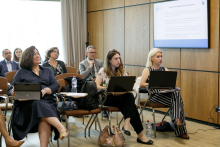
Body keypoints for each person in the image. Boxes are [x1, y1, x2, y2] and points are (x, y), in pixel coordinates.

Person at [7, 46, 68, 147]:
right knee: (37, 103)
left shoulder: (47, 71)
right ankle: (61, 127)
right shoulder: (21, 72)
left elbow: (55, 85)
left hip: (47, 103)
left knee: (42, 113)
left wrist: (45, 90)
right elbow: (10, 89)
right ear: (28, 57)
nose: (37, 56)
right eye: (34, 54)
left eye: (38, 53)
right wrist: (12, 91)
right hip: (27, 106)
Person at [96, 49, 153, 145]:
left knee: (128, 96)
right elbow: (96, 85)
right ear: (109, 60)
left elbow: (127, 87)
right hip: (107, 98)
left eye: (119, 58)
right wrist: (108, 89)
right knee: (130, 102)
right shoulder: (103, 71)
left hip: (121, 98)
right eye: (116, 58)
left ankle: (128, 125)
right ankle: (139, 135)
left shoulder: (122, 71)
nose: (119, 60)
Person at [140, 48, 189, 139]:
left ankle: (177, 120)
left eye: (161, 56)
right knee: (179, 102)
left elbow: (170, 84)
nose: (160, 58)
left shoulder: (165, 69)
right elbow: (142, 84)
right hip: (155, 96)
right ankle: (179, 127)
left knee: (176, 94)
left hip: (166, 94)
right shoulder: (148, 70)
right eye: (158, 56)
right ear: (152, 59)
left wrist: (172, 87)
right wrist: (154, 84)